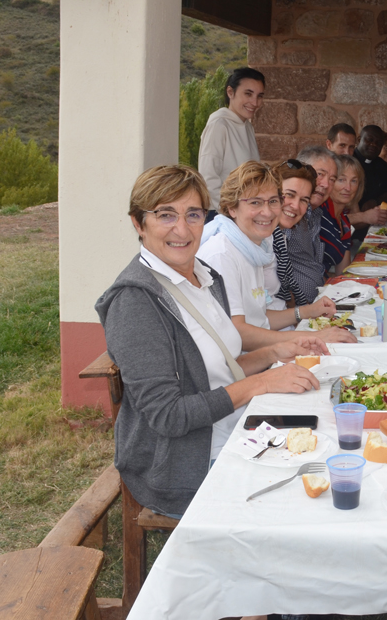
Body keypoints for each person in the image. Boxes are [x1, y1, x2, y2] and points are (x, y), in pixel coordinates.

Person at [94, 164, 326, 518]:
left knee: (330, 441)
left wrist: (274, 351)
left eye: (193, 214)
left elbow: (218, 370)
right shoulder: (135, 302)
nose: (182, 228)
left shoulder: (205, 276)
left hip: (236, 429)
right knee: (306, 508)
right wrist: (261, 383)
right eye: (165, 215)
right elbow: (168, 415)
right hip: (185, 464)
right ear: (139, 223)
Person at [199, 161, 356, 347]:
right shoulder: (221, 254)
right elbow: (236, 334)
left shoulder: (257, 246)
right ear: (232, 208)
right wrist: (311, 338)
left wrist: (307, 311)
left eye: (273, 201)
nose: (267, 212)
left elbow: (260, 318)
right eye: (255, 202)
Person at [196, 67, 264, 212]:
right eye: (248, 94)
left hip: (243, 212)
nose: (255, 102)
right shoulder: (219, 125)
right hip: (222, 213)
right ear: (230, 92)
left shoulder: (247, 127)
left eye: (259, 96)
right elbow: (208, 177)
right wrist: (227, 211)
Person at [282, 146, 337, 305]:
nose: (325, 184)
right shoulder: (288, 216)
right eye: (320, 174)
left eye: (332, 179)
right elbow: (279, 281)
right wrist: (303, 312)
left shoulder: (314, 214)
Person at [271, 158, 318, 307]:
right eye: (290, 195)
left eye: (304, 200)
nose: (296, 206)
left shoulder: (279, 237)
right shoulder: (260, 239)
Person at [319, 154, 363, 276]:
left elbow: (343, 273)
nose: (348, 188)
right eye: (341, 180)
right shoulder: (319, 212)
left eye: (353, 181)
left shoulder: (344, 222)